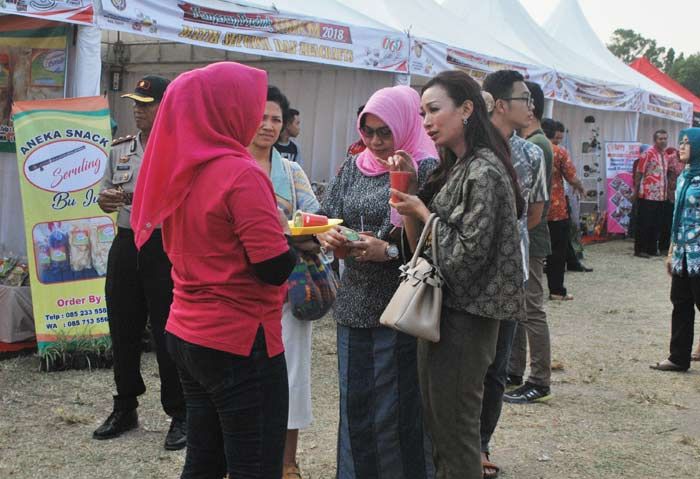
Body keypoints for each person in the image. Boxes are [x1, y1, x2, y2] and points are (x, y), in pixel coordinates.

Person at [131, 62, 296, 478]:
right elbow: (274, 268)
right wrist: (288, 235)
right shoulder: (241, 172)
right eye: (250, 106)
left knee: (204, 461)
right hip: (240, 338)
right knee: (255, 464)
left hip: (188, 331)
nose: (255, 117)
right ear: (228, 110)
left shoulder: (181, 168)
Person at [390, 70, 525, 479]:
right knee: (442, 426)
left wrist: (422, 212)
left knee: (457, 431)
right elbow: (419, 248)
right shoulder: (458, 166)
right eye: (422, 113)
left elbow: (466, 255)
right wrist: (412, 198)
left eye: (434, 110)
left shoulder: (483, 171)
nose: (427, 121)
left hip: (468, 318)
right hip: (444, 314)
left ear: (467, 109)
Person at [317, 85, 438, 479]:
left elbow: (435, 243)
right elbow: (327, 214)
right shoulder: (354, 165)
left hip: (403, 306)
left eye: (384, 131)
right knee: (357, 407)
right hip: (355, 304)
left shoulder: (426, 168)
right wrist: (330, 236)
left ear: (405, 125)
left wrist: (385, 251)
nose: (375, 141)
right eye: (367, 130)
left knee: (399, 410)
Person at [93, 75, 186, 451]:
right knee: (123, 327)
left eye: (146, 104)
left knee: (168, 333)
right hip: (126, 243)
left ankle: (180, 413)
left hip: (165, 246)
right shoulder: (121, 149)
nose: (138, 109)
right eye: (136, 102)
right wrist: (106, 199)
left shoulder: (182, 150)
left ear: (166, 107)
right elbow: (102, 195)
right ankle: (125, 404)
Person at [248, 86, 320, 479]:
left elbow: (317, 217)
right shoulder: (228, 165)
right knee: (240, 378)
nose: (269, 126)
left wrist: (286, 227)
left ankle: (287, 462)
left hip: (288, 286)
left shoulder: (291, 171)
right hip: (239, 288)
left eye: (276, 119)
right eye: (262, 117)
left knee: (292, 372)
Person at [479, 70, 547, 479]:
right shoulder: (468, 145)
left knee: (497, 366)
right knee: (466, 364)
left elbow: (534, 214)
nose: (531, 106)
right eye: (524, 98)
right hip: (468, 273)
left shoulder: (533, 154)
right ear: (501, 104)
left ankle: (482, 443)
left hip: (511, 273)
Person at [506, 81, 555, 404]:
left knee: (531, 309)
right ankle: (514, 369)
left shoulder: (537, 145)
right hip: (525, 238)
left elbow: (536, 209)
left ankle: (539, 378)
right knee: (519, 310)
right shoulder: (526, 141)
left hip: (531, 240)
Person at [651, 128, 700, 372]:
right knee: (680, 302)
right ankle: (678, 357)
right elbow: (676, 218)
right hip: (682, 252)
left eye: (686, 143)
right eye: (680, 142)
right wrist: (671, 252)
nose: (681, 147)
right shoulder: (683, 178)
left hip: (699, 253)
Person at [542, 118, 585, 301]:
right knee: (557, 252)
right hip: (555, 209)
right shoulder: (559, 152)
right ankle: (556, 290)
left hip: (531, 208)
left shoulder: (527, 147)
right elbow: (572, 177)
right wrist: (580, 187)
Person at [634, 130, 670, 257]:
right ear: (655, 140)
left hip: (661, 195)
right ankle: (640, 249)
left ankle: (651, 248)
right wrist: (636, 189)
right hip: (648, 194)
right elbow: (639, 172)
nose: (663, 141)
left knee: (656, 223)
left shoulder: (665, 155)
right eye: (660, 138)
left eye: (665, 138)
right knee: (645, 223)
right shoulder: (647, 154)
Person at [659, 147, 683, 252]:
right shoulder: (670, 158)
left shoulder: (693, 159)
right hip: (671, 196)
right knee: (667, 223)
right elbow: (662, 175)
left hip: (686, 197)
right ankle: (664, 247)